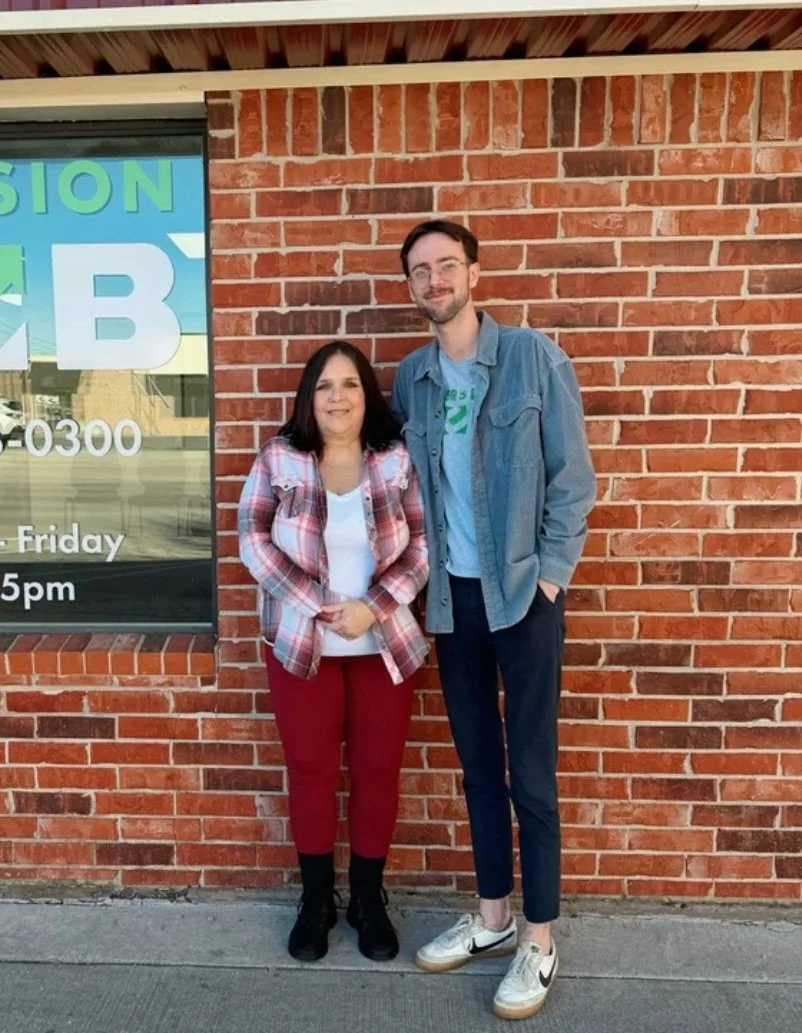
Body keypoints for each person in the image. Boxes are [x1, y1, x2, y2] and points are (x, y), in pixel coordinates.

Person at [390, 220, 596, 1021]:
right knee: (478, 765)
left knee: (531, 775)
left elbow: (573, 484)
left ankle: (538, 940)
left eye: (446, 265)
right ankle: (491, 919)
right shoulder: (412, 379)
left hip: (523, 599)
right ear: (411, 287)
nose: (434, 281)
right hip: (452, 601)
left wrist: (547, 580)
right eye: (420, 271)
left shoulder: (534, 360)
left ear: (473, 271)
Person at [238, 341, 429, 964]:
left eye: (349, 384)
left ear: (365, 394)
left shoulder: (395, 461)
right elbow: (252, 539)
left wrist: (372, 605)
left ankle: (367, 901)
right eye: (324, 386)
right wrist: (320, 604)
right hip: (302, 644)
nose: (337, 397)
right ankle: (316, 902)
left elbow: (425, 544)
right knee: (313, 773)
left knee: (376, 773)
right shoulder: (279, 459)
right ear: (308, 398)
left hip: (384, 646)